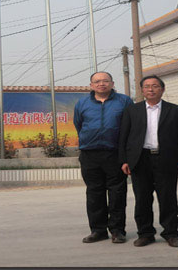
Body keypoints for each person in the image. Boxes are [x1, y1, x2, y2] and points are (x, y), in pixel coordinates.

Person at [118, 75, 178, 248]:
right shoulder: (131, 111)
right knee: (142, 199)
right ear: (142, 90)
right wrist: (124, 160)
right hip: (140, 159)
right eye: (147, 86)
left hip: (166, 159)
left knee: (168, 198)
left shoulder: (176, 110)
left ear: (162, 89)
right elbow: (123, 137)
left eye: (155, 86)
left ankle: (171, 233)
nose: (151, 89)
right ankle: (145, 234)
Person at [73, 71, 134, 244]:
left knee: (117, 193)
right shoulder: (82, 103)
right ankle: (98, 230)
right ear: (91, 85)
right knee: (94, 193)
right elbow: (79, 124)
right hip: (90, 153)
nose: (101, 84)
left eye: (105, 81)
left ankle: (117, 230)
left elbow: (130, 126)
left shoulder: (124, 101)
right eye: (97, 81)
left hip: (115, 153)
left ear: (112, 84)